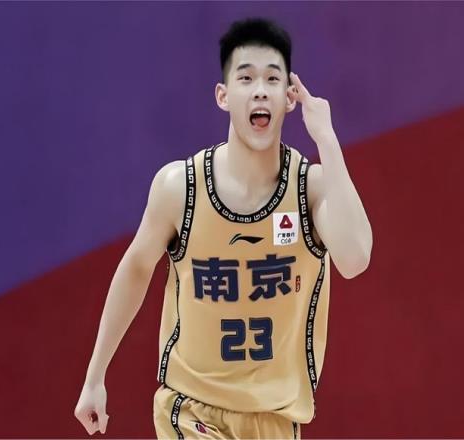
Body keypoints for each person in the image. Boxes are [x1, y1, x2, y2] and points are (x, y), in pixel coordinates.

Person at [74, 17, 373, 439]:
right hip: (191, 409)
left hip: (275, 418)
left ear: (289, 98)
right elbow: (136, 268)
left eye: (272, 79)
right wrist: (94, 377)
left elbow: (355, 259)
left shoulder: (310, 189)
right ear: (223, 95)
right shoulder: (181, 187)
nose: (259, 90)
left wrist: (326, 139)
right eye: (246, 78)